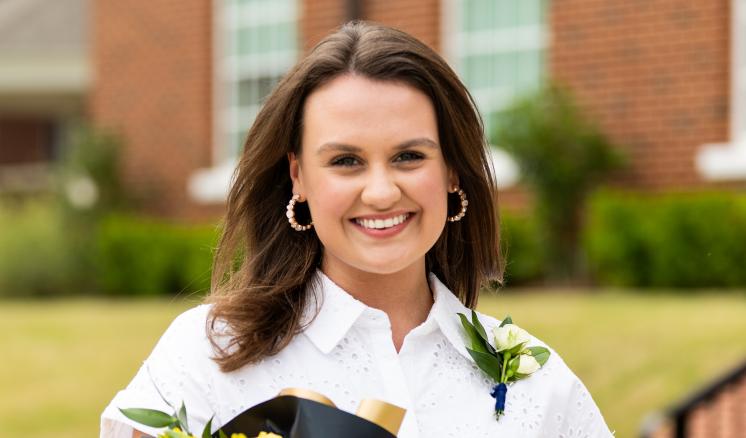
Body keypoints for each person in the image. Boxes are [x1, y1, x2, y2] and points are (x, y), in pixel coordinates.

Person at [101, 21, 613, 437]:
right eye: (346, 161)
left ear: (452, 170)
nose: (382, 191)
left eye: (409, 156)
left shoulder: (533, 381)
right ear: (298, 176)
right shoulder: (209, 353)